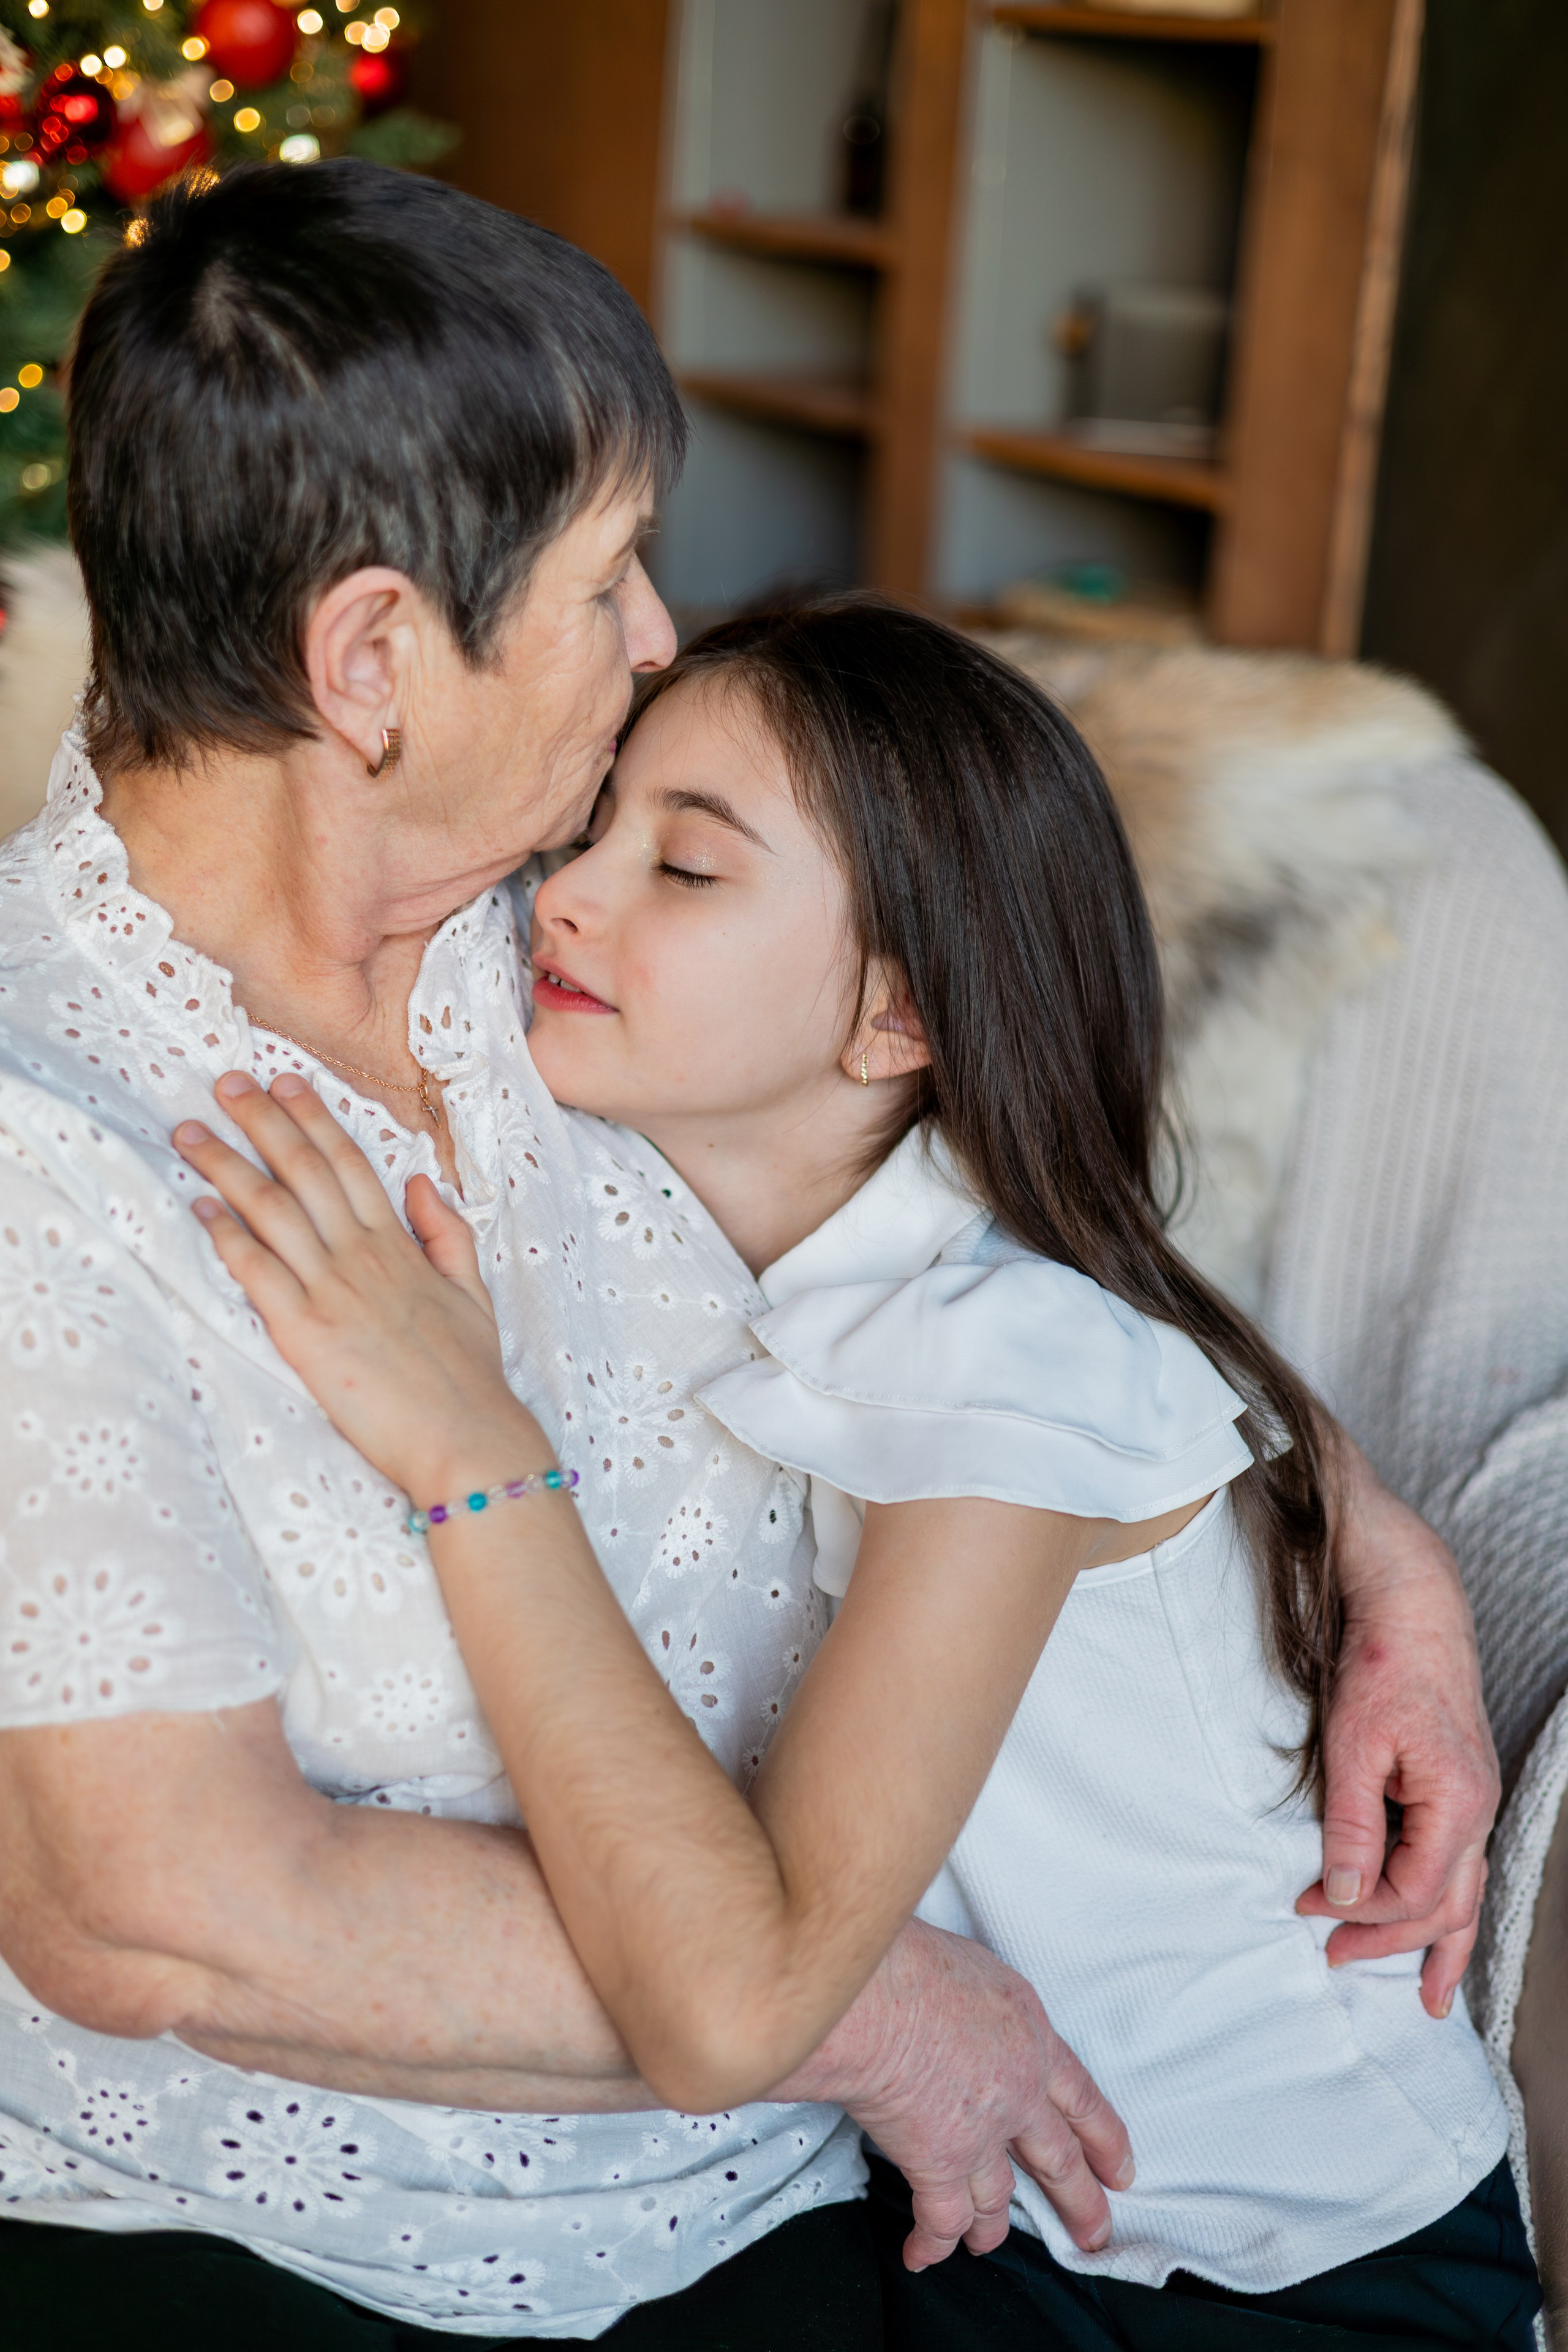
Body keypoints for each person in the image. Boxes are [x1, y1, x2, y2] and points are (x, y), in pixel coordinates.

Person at [0, 162, 1495, 2345]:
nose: (657, 641)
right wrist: (859, 2005)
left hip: (867, 2174)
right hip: (332, 2246)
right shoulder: (57, 1147)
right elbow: (161, 1911)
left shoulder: (561, 914)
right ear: (374, 662)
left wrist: (1379, 1558)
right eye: (608, 578)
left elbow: (1025, 1231)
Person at [175, 597, 1541, 2349]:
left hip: (1302, 2278)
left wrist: (472, 1451)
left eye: (689, 870)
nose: (567, 895)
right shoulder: (716, 1222)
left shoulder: (1006, 1369)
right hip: (1017, 2206)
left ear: (896, 1012)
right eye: (592, 828)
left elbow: (739, 1991)